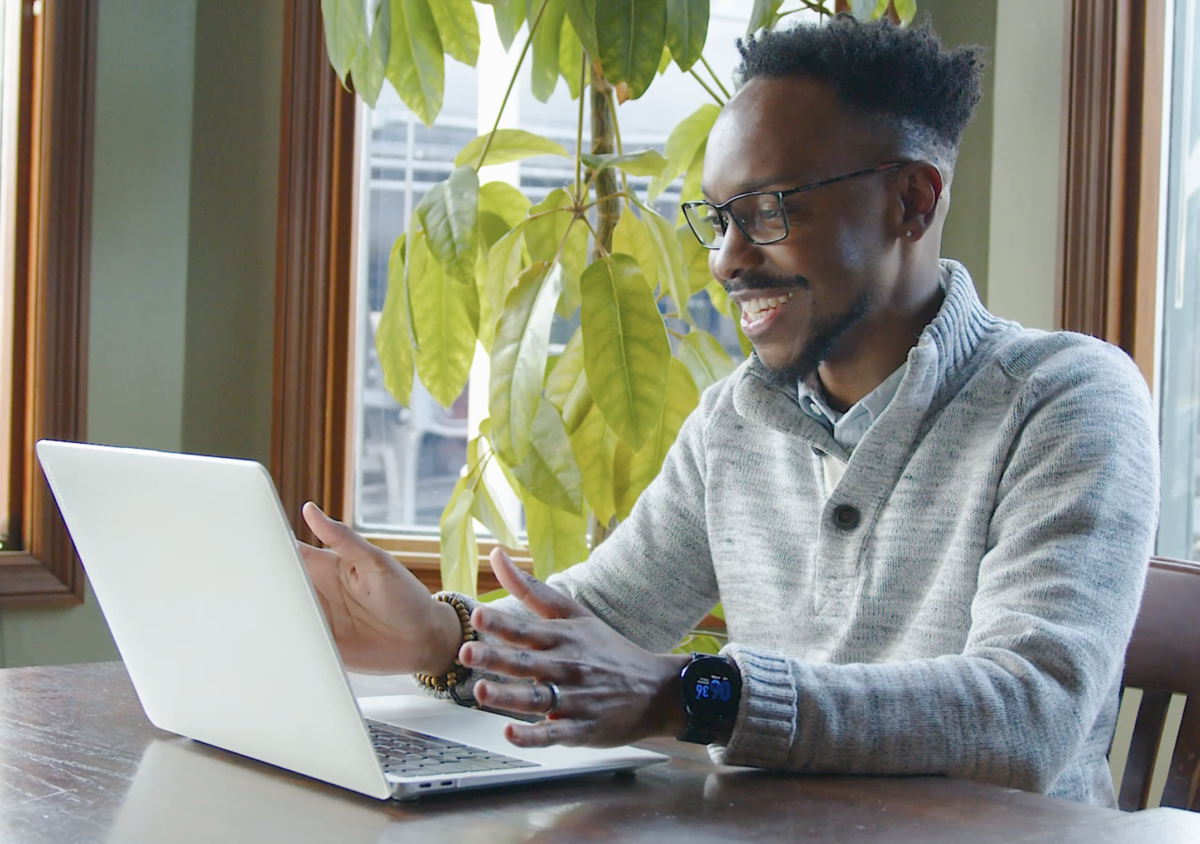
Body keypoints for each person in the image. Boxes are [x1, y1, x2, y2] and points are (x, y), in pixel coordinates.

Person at [298, 17, 1158, 807]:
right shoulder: (736, 421)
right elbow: (596, 624)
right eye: (718, 219)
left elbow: (1026, 717)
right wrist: (444, 640)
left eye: (768, 211)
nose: (725, 261)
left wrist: (690, 693)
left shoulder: (1064, 399)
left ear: (912, 201)